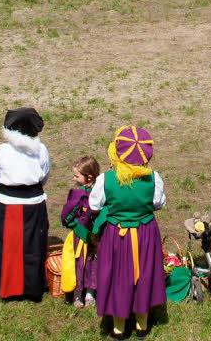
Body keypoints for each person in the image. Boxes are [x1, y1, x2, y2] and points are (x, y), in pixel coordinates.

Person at [89, 126, 166, 339]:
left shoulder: (107, 179)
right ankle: (142, 324)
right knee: (144, 273)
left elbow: (94, 205)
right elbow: (158, 203)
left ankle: (119, 327)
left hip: (116, 234)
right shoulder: (153, 178)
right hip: (145, 232)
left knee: (117, 276)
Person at [0, 107, 50, 301]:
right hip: (32, 204)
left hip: (7, 204)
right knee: (32, 245)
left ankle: (3, 285)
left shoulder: (2, 150)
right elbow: (45, 175)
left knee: (4, 246)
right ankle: (31, 287)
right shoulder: (41, 150)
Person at [60, 155, 101, 308]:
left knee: (93, 263)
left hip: (95, 236)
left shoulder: (98, 192)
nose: (74, 178)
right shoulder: (77, 195)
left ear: (89, 177)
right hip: (79, 237)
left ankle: (90, 293)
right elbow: (67, 216)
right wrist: (77, 227)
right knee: (79, 263)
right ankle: (78, 294)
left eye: (76, 175)